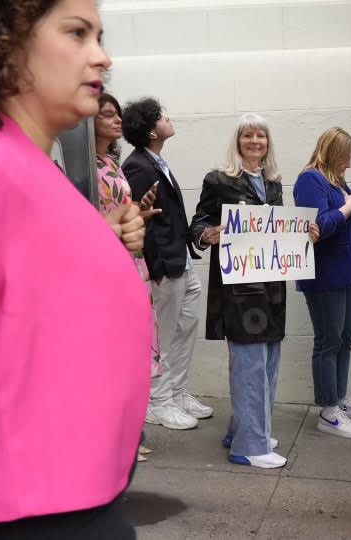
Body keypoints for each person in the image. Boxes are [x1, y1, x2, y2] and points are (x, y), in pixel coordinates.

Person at [0, 1, 152, 537]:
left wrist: (102, 235)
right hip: (23, 512)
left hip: (76, 499)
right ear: (7, 44)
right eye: (77, 33)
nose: (101, 57)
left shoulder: (30, 164)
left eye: (99, 36)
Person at [189, 114, 318, 468]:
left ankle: (245, 428)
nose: (255, 141)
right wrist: (208, 233)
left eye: (261, 136)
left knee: (269, 362)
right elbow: (197, 224)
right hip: (240, 292)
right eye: (248, 135)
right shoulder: (219, 179)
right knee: (249, 365)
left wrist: (303, 233)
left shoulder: (273, 182)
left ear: (268, 144)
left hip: (272, 288)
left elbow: (274, 231)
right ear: (238, 141)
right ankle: (250, 445)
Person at [122, 97, 212, 430]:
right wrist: (156, 269)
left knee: (185, 328)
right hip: (165, 267)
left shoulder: (157, 161)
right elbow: (140, 221)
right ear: (149, 129)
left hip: (182, 261)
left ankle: (177, 392)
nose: (168, 118)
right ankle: (158, 402)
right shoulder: (138, 166)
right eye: (161, 116)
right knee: (162, 335)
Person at [95, 92, 162, 462]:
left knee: (133, 347)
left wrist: (141, 210)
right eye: (107, 115)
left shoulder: (112, 162)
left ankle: (129, 432)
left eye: (117, 114)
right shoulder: (86, 166)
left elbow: (122, 210)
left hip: (133, 259)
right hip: (111, 260)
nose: (117, 120)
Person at [293, 127, 351, 439]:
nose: (349, 165)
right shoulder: (310, 179)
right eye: (346, 158)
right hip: (324, 274)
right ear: (333, 152)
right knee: (328, 340)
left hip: (343, 271)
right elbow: (318, 227)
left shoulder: (336, 180)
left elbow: (339, 219)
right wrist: (348, 206)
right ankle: (327, 411)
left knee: (346, 338)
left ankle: (339, 399)